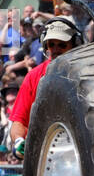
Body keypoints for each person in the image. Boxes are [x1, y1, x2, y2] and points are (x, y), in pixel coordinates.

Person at [10, 19, 82, 159]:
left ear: (75, 45)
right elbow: (18, 121)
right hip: (44, 154)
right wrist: (19, 140)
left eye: (62, 45)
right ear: (45, 45)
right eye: (51, 44)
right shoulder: (33, 76)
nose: (55, 50)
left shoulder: (85, 74)